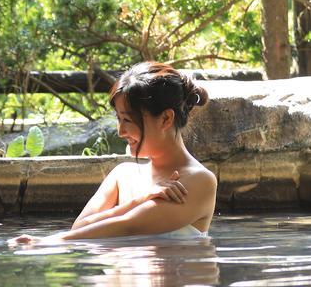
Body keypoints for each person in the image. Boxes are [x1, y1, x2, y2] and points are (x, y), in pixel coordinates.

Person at [11, 61, 216, 246]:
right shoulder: (123, 175)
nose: (120, 131)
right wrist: (141, 199)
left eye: (127, 120)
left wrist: (46, 242)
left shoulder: (199, 180)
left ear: (165, 119)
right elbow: (80, 228)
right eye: (118, 119)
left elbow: (129, 227)